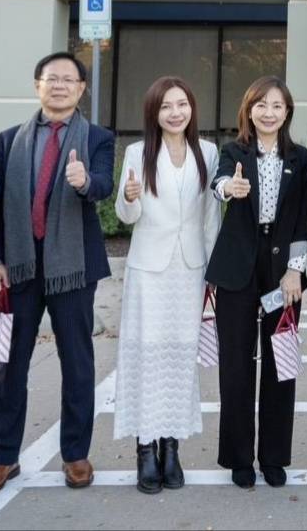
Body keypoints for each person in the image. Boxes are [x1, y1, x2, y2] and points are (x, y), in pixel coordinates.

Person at [0, 52, 115, 497]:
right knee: (10, 363)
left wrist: (84, 181)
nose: (59, 86)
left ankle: (76, 454)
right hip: (19, 265)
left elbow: (104, 185)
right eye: (51, 79)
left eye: (68, 80)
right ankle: (2, 457)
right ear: (38, 85)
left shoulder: (97, 137)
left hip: (73, 267)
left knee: (77, 361)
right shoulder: (10, 140)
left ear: (81, 88)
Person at [113, 77, 221, 494]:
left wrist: (213, 272)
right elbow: (127, 216)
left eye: (182, 105)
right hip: (148, 271)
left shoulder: (207, 152)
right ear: (153, 113)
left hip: (190, 269)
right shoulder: (138, 152)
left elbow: (210, 217)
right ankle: (145, 449)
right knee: (146, 356)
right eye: (166, 107)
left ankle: (171, 447)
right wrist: (129, 196)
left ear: (192, 108)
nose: (175, 113)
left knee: (179, 358)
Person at [207, 76, 307, 489]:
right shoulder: (233, 152)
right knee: (235, 364)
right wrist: (229, 188)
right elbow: (218, 184)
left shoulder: (300, 158)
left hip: (281, 268)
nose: (269, 113)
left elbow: (304, 219)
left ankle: (273, 456)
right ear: (249, 110)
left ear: (287, 113)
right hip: (238, 265)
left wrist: (296, 270)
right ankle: (239, 458)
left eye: (277, 106)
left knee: (280, 363)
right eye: (261, 105)